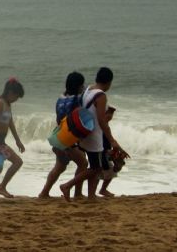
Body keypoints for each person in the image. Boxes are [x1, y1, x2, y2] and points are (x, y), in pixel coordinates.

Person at [59, 67, 129, 201]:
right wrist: (112, 140)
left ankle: (91, 196)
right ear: (109, 82)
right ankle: (67, 185)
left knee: (95, 166)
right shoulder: (101, 96)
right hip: (95, 136)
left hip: (85, 133)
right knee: (96, 168)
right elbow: (102, 120)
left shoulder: (88, 90)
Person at [39, 72, 89, 198]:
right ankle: (77, 193)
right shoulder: (77, 99)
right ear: (78, 86)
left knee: (59, 167)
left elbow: (59, 120)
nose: (83, 87)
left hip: (58, 137)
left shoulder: (60, 99)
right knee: (83, 164)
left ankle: (44, 192)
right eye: (82, 84)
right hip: (68, 140)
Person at [0, 77, 26, 200]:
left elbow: (9, 122)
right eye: (16, 96)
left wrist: (17, 140)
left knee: (17, 162)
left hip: (1, 139)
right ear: (10, 93)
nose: (16, 100)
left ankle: (1, 187)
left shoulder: (7, 104)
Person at [99, 106, 125, 197]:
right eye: (109, 114)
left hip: (105, 152)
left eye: (111, 115)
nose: (110, 117)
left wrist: (122, 150)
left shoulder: (105, 126)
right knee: (110, 171)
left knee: (98, 172)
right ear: (104, 114)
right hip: (101, 153)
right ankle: (102, 190)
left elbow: (112, 140)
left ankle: (100, 190)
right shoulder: (101, 126)